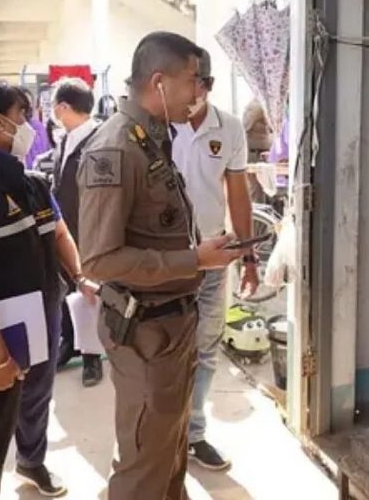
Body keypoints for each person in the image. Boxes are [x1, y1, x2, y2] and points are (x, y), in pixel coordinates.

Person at [78, 31, 244, 499]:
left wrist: (202, 248)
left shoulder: (151, 138)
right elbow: (100, 259)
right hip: (145, 330)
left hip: (171, 325)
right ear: (160, 81)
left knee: (169, 452)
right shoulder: (116, 148)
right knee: (143, 467)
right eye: (193, 80)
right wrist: (195, 258)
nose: (199, 91)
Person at [0, 82, 97, 499]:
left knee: (36, 402)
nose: (28, 127)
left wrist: (80, 277)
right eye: (21, 117)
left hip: (41, 322)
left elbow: (59, 234)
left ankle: (32, 461)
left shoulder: (30, 183)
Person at [172, 48, 259, 470]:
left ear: (206, 85)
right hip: (167, 261)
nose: (185, 93)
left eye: (192, 83)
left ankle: (194, 433)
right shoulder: (158, 127)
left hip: (213, 258)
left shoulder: (229, 128)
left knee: (205, 350)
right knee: (164, 350)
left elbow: (237, 193)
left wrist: (249, 257)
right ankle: (160, 434)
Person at [49, 78, 105, 387]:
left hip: (89, 232)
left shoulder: (99, 140)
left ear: (64, 107)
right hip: (64, 230)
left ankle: (92, 359)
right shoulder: (64, 139)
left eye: (55, 106)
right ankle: (69, 344)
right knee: (67, 291)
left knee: (88, 295)